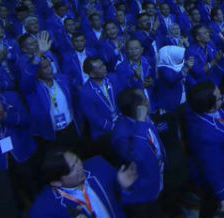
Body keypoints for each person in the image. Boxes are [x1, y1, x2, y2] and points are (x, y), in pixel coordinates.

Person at [29, 146, 139, 218]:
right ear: (56, 183)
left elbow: (127, 202)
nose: (80, 167)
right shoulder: (43, 210)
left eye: (77, 160)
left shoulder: (99, 166)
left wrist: (124, 188)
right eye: (72, 169)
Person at [185, 81, 224, 217]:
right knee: (210, 206)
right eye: (220, 96)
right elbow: (211, 169)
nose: (222, 95)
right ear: (211, 107)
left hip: (222, 158)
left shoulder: (200, 106)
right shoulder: (205, 135)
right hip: (211, 181)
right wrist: (222, 196)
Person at [111, 88, 165, 217]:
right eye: (144, 99)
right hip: (143, 193)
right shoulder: (121, 135)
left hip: (156, 176)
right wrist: (140, 124)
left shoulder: (144, 118)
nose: (148, 100)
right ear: (139, 107)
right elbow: (137, 157)